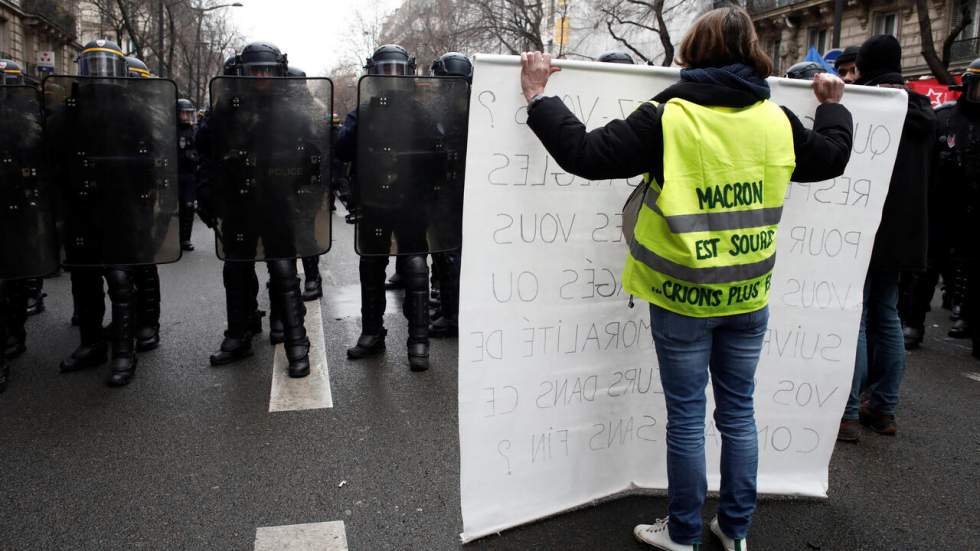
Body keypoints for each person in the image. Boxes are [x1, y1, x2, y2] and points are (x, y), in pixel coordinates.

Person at [519, 7, 852, 550]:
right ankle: (736, 531)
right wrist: (833, 108)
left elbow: (583, 154)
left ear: (691, 53)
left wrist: (538, 96)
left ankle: (683, 531)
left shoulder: (669, 116)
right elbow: (832, 157)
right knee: (739, 413)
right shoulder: (776, 120)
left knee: (688, 418)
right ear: (752, 53)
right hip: (749, 297)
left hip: (681, 298)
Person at [54, 41, 176, 386]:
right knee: (83, 278)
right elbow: (53, 157)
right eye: (93, 67)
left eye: (107, 67)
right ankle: (91, 344)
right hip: (81, 207)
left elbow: (151, 158)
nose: (100, 76)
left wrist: (145, 195)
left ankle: (125, 351)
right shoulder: (68, 112)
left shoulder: (134, 113)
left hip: (122, 207)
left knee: (121, 278)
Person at [838, 35, 937, 442]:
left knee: (857, 318)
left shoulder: (869, 105)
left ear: (866, 67)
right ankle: (883, 408)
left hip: (868, 225)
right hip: (906, 231)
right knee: (888, 315)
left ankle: (845, 411)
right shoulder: (922, 109)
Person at [198, 42, 316, 378]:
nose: (261, 76)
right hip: (238, 201)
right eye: (254, 70)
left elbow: (314, 152)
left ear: (277, 71)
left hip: (278, 201)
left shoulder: (292, 106)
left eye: (267, 70)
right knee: (236, 269)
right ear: (244, 73)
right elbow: (205, 148)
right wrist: (207, 192)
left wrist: (306, 196)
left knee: (283, 271)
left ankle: (297, 343)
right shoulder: (229, 106)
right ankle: (239, 334)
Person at [337, 44, 444, 371]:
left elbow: (440, 156)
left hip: (411, 203)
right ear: (374, 74)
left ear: (408, 73)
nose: (391, 78)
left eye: (397, 71)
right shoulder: (364, 111)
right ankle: (372, 333)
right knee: (371, 267)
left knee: (414, 268)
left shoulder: (420, 112)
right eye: (384, 71)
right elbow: (341, 148)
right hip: (374, 202)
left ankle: (418, 340)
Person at [929, 59, 980, 356]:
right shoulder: (945, 118)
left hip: (976, 208)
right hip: (945, 202)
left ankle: (967, 315)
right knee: (931, 263)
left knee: (972, 265)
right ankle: (913, 319)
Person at [427, 52, 472, 339]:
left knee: (449, 255)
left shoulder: (450, 109)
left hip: (451, 191)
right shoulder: (472, 104)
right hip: (459, 191)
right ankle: (449, 308)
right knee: (448, 255)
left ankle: (452, 315)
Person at [177, 98, 199, 252]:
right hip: (175, 174)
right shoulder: (171, 130)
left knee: (188, 206)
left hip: (189, 175)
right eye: (183, 113)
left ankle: (185, 238)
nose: (185, 116)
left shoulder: (194, 131)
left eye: (188, 113)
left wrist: (194, 156)